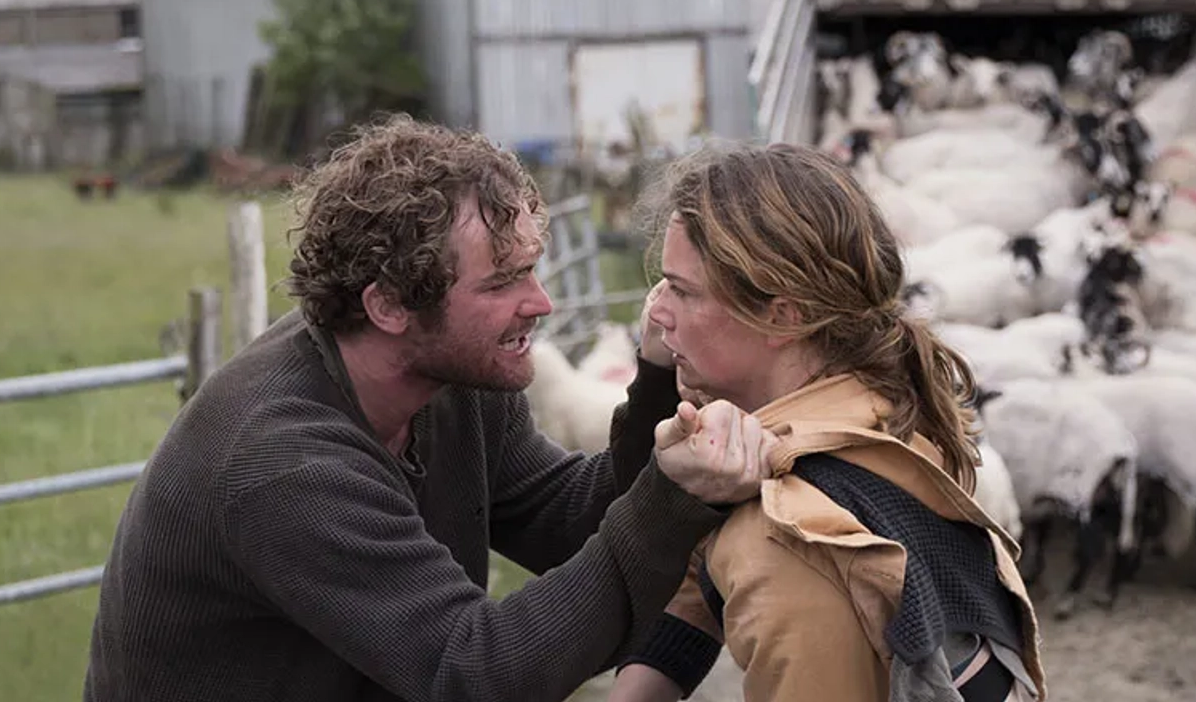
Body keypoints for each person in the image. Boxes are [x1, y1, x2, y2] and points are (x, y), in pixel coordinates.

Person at [82, 114, 778, 702]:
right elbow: (472, 672)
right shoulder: (283, 462)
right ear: (388, 304)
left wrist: (658, 382)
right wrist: (672, 496)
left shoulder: (450, 384)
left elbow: (569, 521)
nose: (542, 303)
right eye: (504, 281)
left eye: (532, 267)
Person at [607, 140, 1048, 702]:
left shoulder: (786, 537)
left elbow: (773, 561)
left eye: (682, 290)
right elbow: (704, 578)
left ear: (782, 316)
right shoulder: (888, 413)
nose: (656, 313)